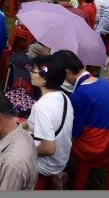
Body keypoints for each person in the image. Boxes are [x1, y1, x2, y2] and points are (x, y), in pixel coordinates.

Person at [53, 50, 109, 163]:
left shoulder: (80, 95)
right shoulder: (101, 82)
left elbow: (73, 134)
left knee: (51, 143)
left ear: (67, 72)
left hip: (94, 148)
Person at [27, 55, 75, 185]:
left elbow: (49, 149)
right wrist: (22, 125)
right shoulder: (63, 97)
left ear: (44, 80)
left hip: (46, 165)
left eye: (34, 71)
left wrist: (25, 151)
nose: (31, 73)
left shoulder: (41, 107)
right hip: (61, 159)